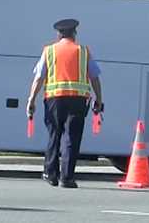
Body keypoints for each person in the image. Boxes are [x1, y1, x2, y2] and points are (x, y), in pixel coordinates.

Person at [25, 18, 104, 189]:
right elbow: (95, 77)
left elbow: (39, 78)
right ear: (74, 34)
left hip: (54, 100)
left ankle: (50, 174)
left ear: (58, 34)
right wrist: (99, 98)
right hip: (77, 101)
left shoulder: (49, 51)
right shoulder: (83, 51)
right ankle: (67, 178)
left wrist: (31, 100)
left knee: (54, 136)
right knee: (71, 138)